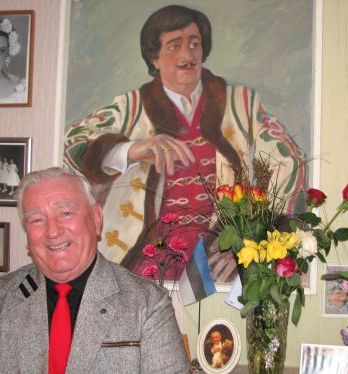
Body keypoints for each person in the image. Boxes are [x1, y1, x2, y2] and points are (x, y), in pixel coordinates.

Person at [64, 5, 305, 281]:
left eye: (194, 44)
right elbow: (73, 144)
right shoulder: (130, 108)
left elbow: (289, 162)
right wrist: (131, 149)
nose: (187, 56)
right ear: (154, 57)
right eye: (174, 46)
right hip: (143, 261)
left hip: (219, 263)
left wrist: (250, 238)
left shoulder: (242, 104)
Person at [0, 167, 195, 374]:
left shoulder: (148, 304)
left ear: (96, 219)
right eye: (37, 219)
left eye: (65, 213)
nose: (52, 231)